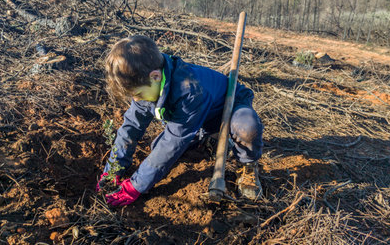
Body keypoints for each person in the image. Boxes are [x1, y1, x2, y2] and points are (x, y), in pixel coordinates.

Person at [96, 35, 264, 206]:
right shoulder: (145, 81)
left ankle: (248, 164)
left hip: (230, 105)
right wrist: (113, 170)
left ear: (155, 76)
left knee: (246, 128)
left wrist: (136, 185)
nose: (137, 100)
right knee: (156, 148)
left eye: (138, 94)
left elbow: (171, 143)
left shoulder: (189, 90)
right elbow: (130, 128)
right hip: (201, 117)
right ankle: (211, 137)